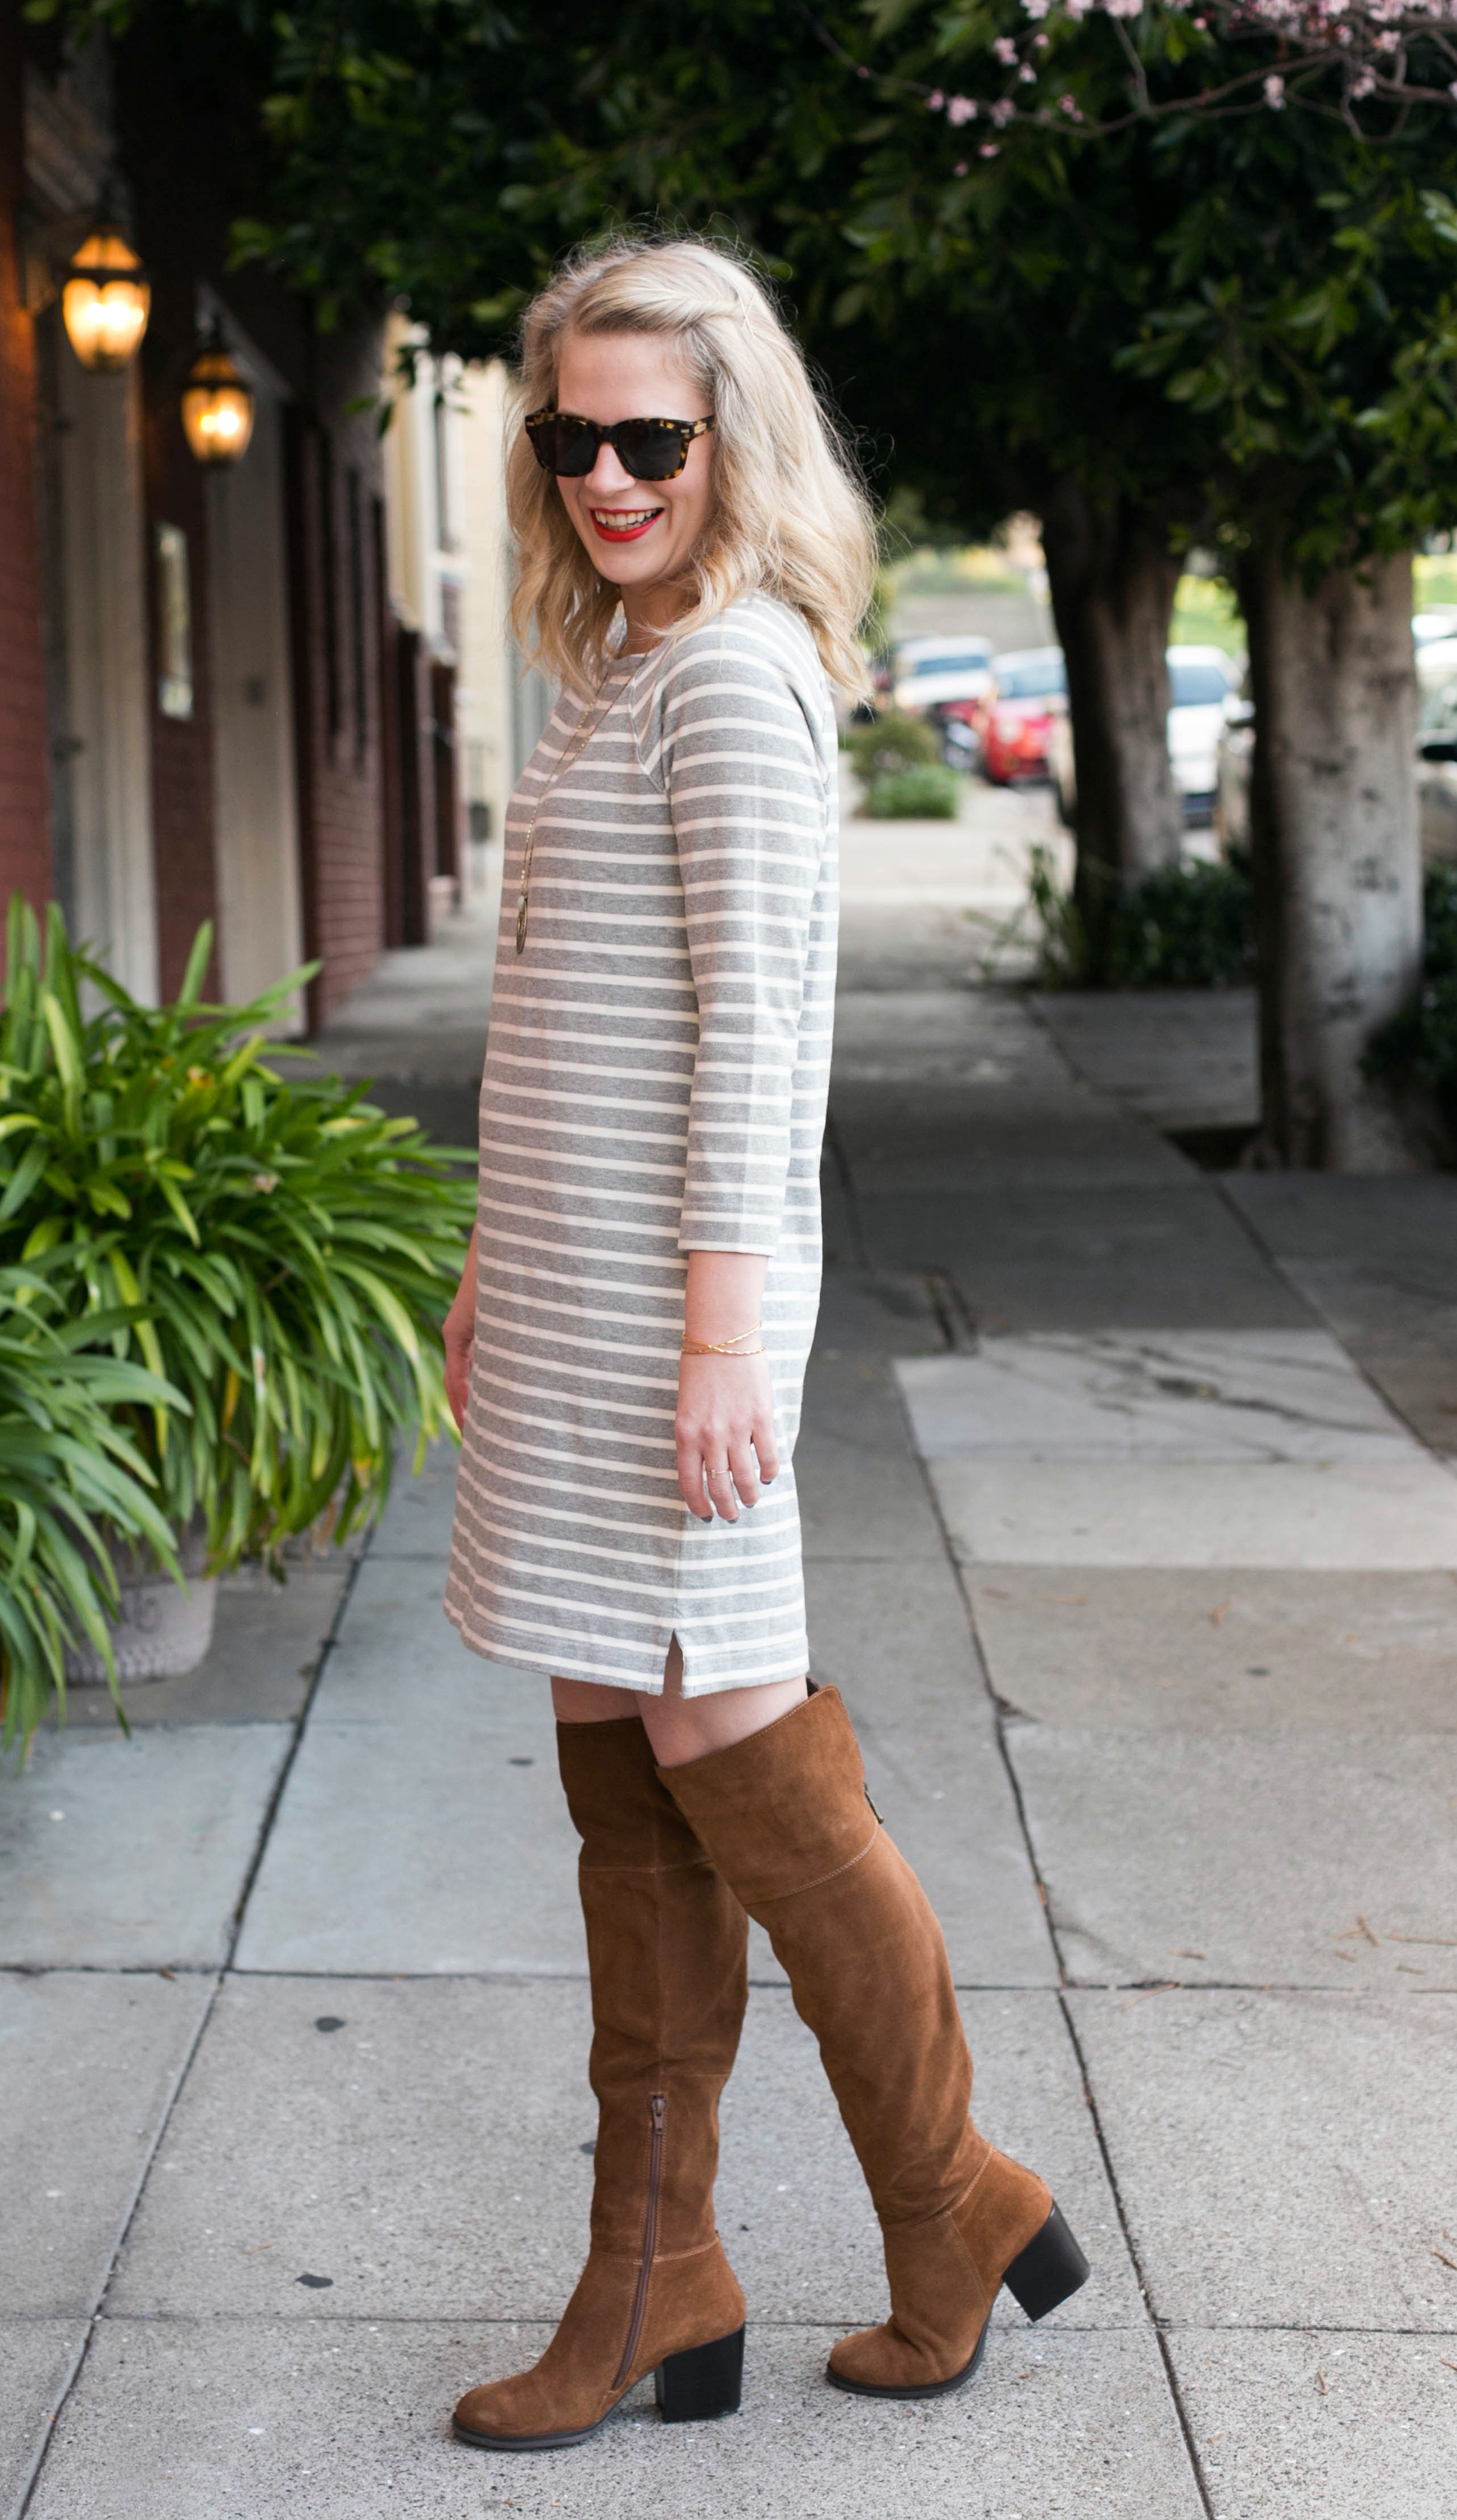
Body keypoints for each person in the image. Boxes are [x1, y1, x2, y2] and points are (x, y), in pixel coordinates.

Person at [439, 233, 1089, 2453]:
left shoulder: (727, 677)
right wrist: (484, 1266)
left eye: (654, 438)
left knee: (735, 1754)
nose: (611, 475)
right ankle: (674, 2271)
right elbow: (567, 1030)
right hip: (573, 1301)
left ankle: (949, 2195)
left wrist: (727, 1346)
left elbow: (753, 1049)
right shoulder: (618, 657)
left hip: (668, 1331)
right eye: (572, 437)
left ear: (734, 442)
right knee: (628, 1753)